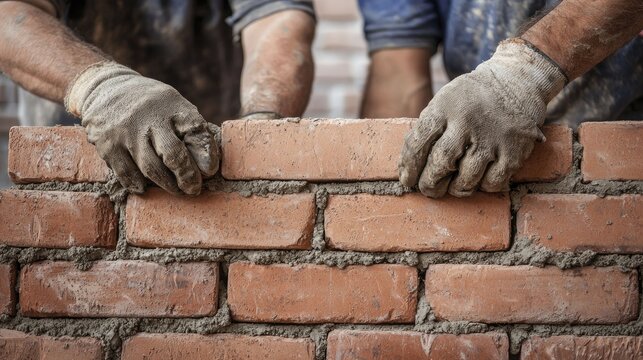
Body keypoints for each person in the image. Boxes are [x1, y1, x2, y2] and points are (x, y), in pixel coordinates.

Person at [0, 0, 316, 195]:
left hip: (212, 165)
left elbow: (278, 22)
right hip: (73, 167)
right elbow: (10, 15)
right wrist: (101, 87)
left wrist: (260, 125)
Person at [358, 0, 642, 198]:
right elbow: (398, 75)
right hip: (488, 137)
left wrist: (522, 76)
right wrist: (399, 184)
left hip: (624, 157)